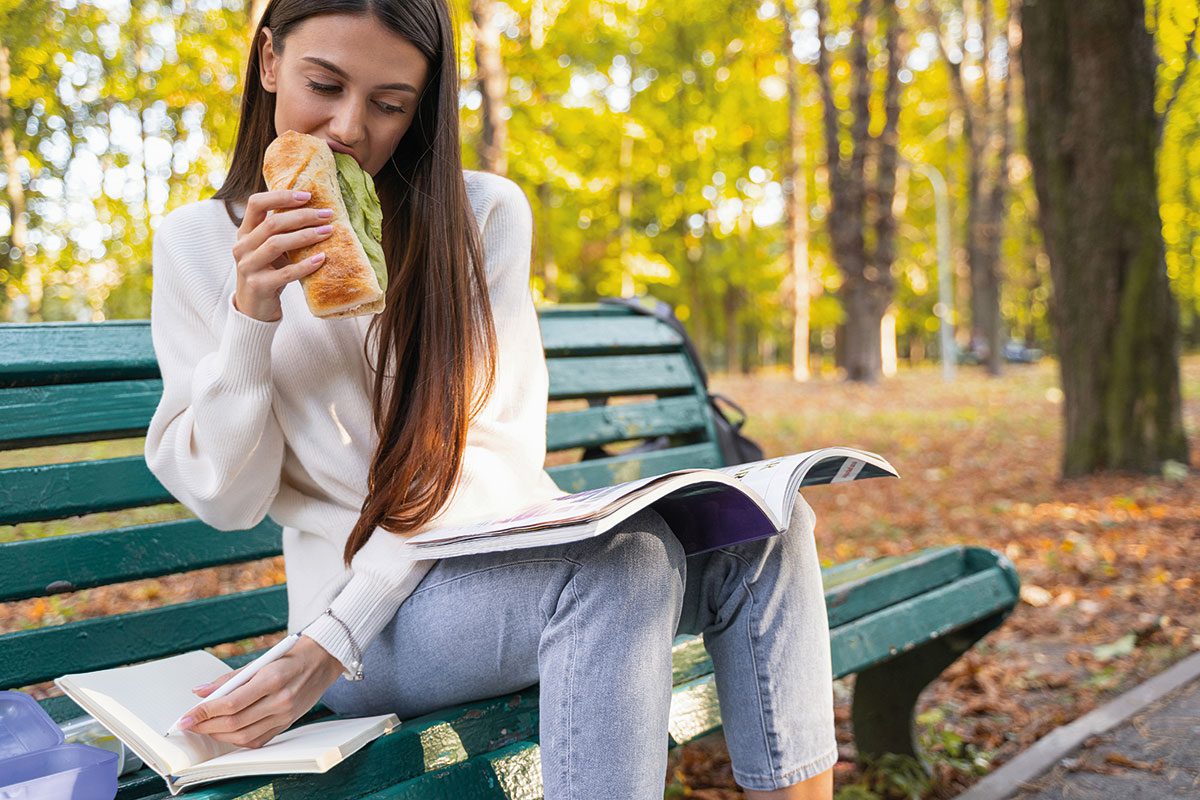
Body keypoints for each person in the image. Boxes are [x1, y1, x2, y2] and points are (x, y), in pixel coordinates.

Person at [142, 0, 837, 796]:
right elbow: (226, 501)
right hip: (364, 630)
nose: (346, 127)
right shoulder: (196, 244)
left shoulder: (482, 217)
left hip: (469, 577)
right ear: (269, 62)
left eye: (389, 104)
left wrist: (335, 634)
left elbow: (490, 460)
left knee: (770, 527)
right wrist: (251, 318)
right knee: (627, 570)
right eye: (323, 84)